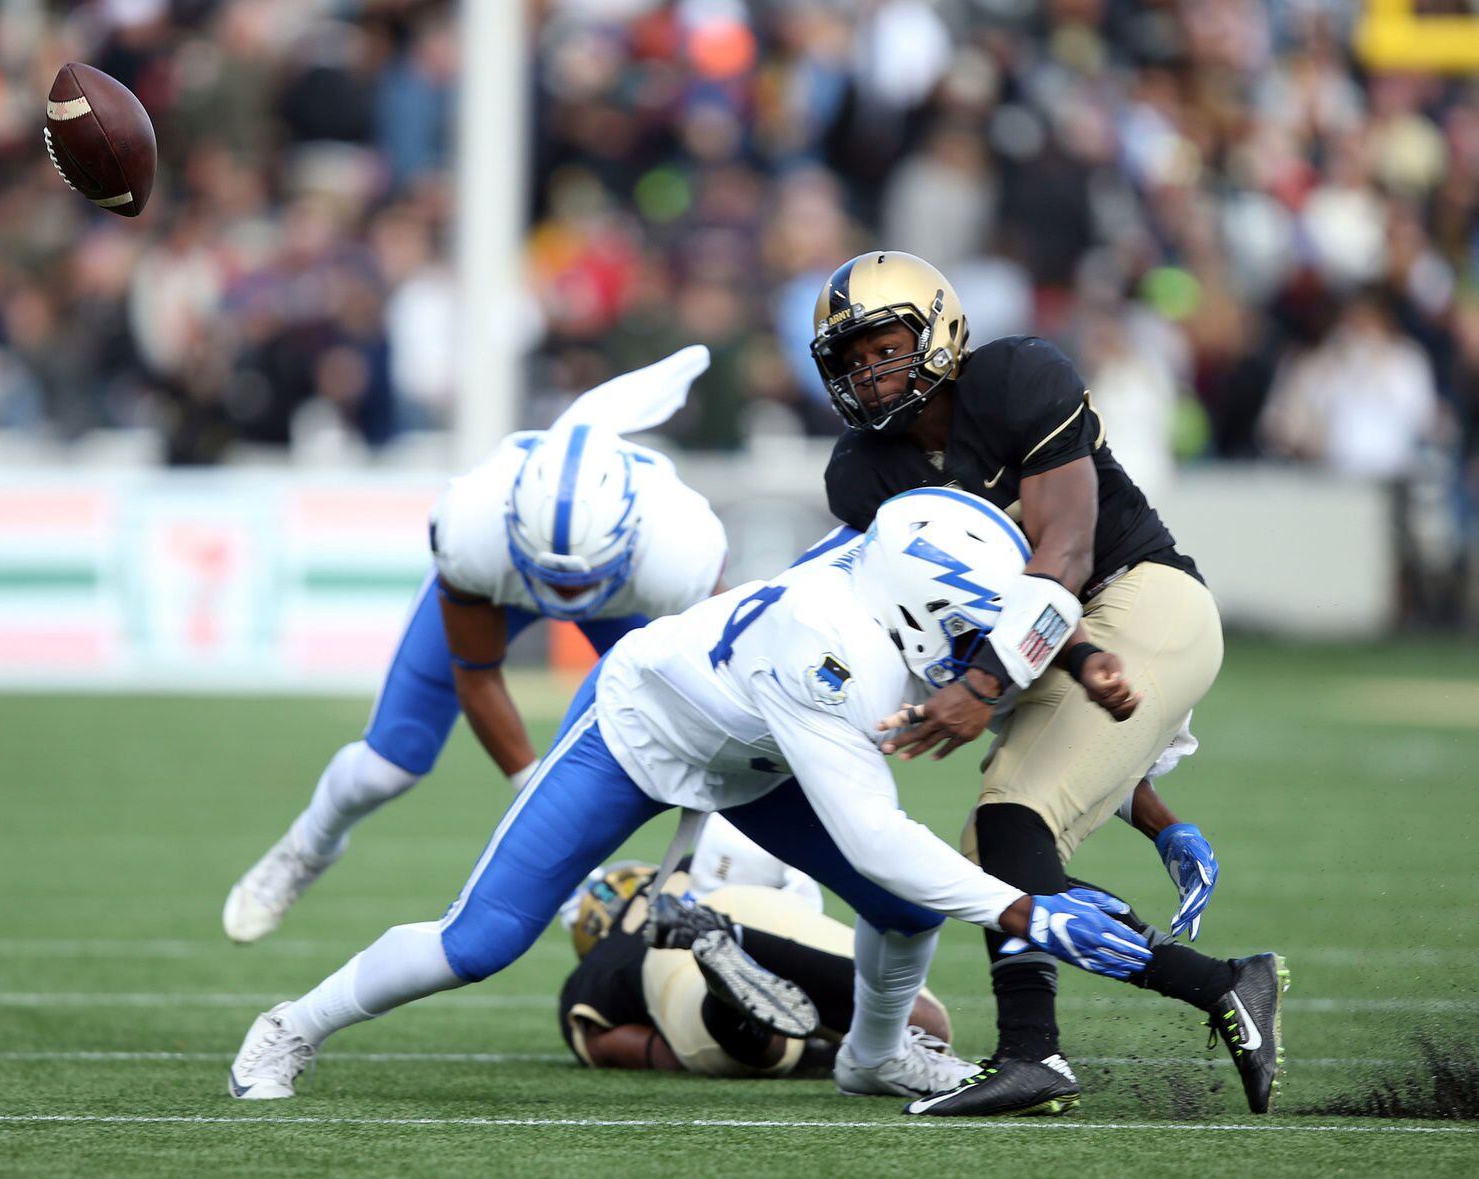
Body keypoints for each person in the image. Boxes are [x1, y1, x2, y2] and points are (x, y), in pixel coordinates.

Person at [225, 489, 1162, 1103]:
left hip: (752, 752)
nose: (976, 658)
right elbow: (874, 834)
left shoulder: (877, 576)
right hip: (636, 733)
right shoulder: (831, 651)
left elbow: (1025, 661)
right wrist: (1022, 910)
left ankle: (872, 1056)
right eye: (965, 631)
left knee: (903, 905)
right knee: (481, 940)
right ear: (918, 605)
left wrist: (1104, 715)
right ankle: (289, 1027)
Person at [808, 251, 1285, 1116]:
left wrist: (982, 685)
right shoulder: (861, 474)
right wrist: (1155, 816)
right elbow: (979, 628)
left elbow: (1061, 558)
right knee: (998, 855)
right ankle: (1210, 990)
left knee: (1004, 829)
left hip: (1140, 596)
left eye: (883, 346)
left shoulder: (1017, 375)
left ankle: (1045, 1053)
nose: (870, 374)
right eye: (850, 361)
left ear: (938, 332)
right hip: (1055, 649)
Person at [222, 347, 729, 943]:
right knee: (387, 766)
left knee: (692, 725)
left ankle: (740, 891)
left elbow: (715, 700)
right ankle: (307, 847)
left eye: (578, 579)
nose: (563, 596)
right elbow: (478, 675)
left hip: (622, 598)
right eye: (551, 579)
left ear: (631, 538)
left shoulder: (682, 551)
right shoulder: (472, 526)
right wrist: (541, 802)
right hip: (503, 587)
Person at [555, 822, 962, 1083]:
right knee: (931, 1033)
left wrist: (808, 1060)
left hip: (666, 956)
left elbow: (617, 1044)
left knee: (759, 1055)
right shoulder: (687, 867)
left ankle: (725, 1003)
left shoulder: (596, 967)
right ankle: (738, 940)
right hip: (751, 905)